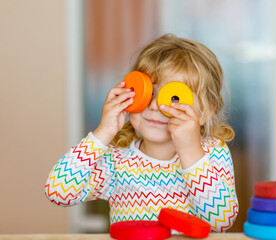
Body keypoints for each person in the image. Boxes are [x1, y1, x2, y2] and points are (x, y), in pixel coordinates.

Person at [45, 34, 239, 232]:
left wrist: (190, 151)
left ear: (205, 112)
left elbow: (221, 220)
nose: (155, 106)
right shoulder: (117, 160)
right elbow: (58, 191)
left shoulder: (213, 153)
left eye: (174, 97)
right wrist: (103, 132)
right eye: (149, 93)